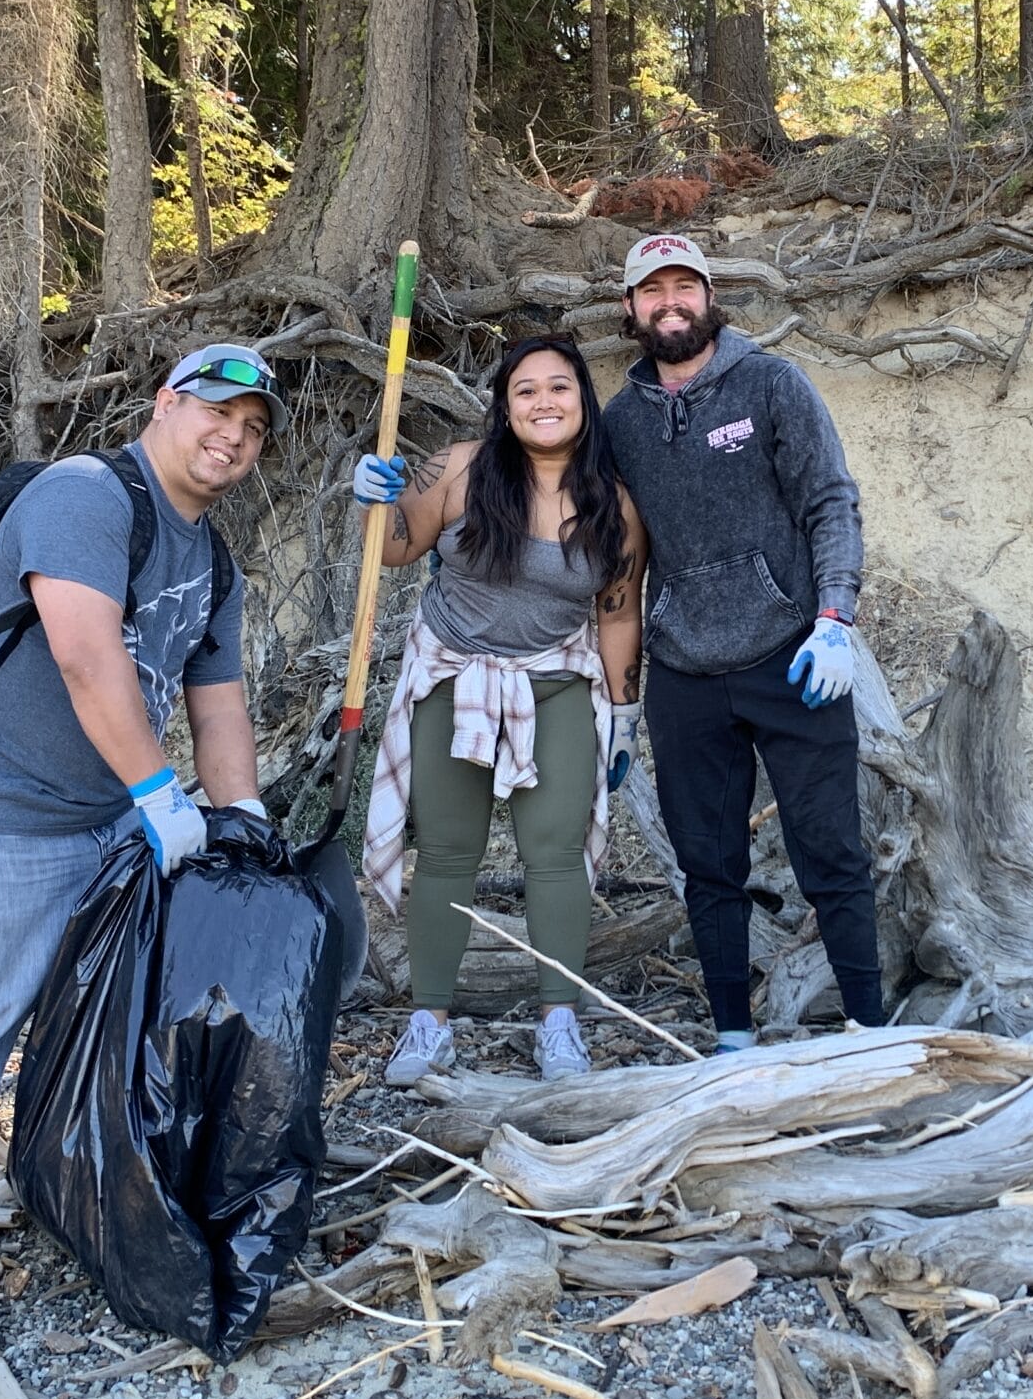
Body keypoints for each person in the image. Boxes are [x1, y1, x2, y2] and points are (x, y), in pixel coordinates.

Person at [0, 344, 286, 1371]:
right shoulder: (85, 494)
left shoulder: (211, 558)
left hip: (105, 819)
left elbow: (217, 704)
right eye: (216, 411)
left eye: (254, 426)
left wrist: (245, 819)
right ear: (165, 405)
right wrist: (158, 795)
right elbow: (84, 653)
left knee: (100, 1029)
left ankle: (73, 1207)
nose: (232, 435)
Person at [601, 232, 883, 1048]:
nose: (670, 303)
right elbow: (580, 521)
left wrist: (835, 619)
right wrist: (420, 505)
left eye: (684, 285)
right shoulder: (620, 423)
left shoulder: (770, 384)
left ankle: (870, 1031)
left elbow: (831, 502)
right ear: (630, 309)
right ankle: (730, 1038)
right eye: (652, 291)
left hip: (793, 655)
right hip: (684, 673)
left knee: (831, 852)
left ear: (710, 294)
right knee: (708, 866)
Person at [352, 336, 647, 1085]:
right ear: (505, 405)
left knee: (555, 855)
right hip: (455, 679)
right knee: (449, 852)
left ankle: (558, 1023)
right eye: (526, 390)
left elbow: (616, 614)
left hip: (555, 687)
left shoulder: (613, 504)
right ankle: (429, 1023)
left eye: (559, 387)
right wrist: (376, 499)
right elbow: (393, 550)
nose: (543, 402)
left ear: (584, 399)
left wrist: (623, 711)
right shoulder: (458, 467)